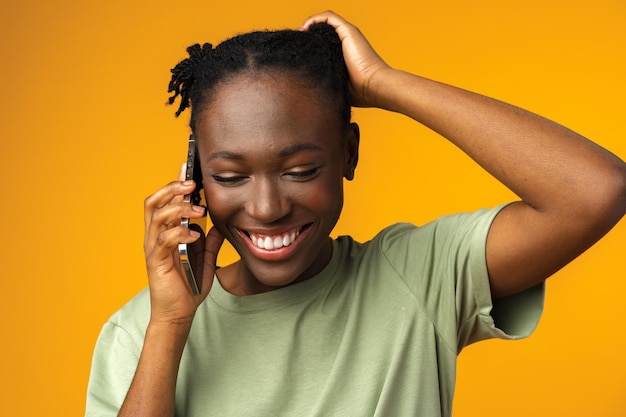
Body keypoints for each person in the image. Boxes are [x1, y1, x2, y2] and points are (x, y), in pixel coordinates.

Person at [85, 11, 626, 417]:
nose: (268, 208)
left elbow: (595, 190)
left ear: (349, 153)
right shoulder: (141, 332)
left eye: (299, 170)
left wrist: (382, 84)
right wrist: (172, 324)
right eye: (229, 176)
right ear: (196, 179)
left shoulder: (419, 276)